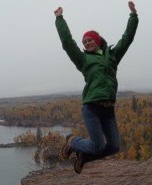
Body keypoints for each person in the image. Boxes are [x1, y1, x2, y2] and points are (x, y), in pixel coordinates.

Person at [54, 1, 138, 174]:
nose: (86, 43)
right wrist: (60, 19)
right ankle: (73, 142)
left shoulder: (112, 56)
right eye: (84, 41)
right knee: (97, 145)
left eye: (89, 39)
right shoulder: (84, 60)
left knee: (113, 146)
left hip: (108, 110)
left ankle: (84, 157)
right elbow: (68, 44)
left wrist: (133, 16)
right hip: (91, 107)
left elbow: (127, 39)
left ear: (97, 40)